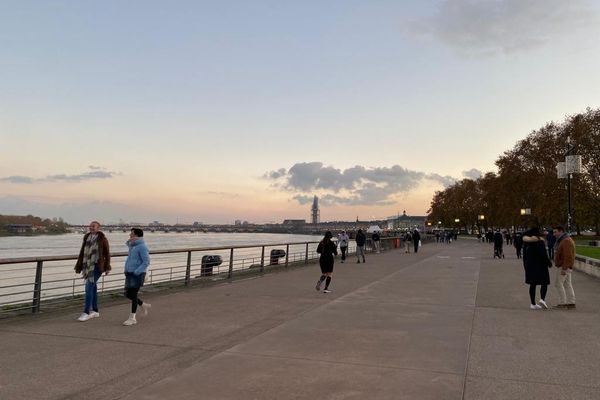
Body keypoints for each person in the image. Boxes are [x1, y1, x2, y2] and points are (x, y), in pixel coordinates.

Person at [74, 221, 111, 322]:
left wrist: (107, 267)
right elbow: (82, 252)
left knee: (88, 287)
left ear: (98, 228)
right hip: (87, 266)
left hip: (97, 267)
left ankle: (86, 312)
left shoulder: (102, 239)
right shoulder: (86, 238)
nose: (91, 228)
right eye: (90, 226)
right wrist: (79, 265)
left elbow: (107, 254)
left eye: (93, 226)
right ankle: (95, 311)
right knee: (93, 287)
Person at [123, 228, 151, 326]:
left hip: (137, 274)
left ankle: (132, 318)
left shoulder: (142, 247)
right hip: (129, 273)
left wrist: (137, 271)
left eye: (132, 234)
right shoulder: (132, 246)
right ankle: (143, 304)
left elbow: (146, 261)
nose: (130, 236)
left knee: (133, 294)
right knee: (127, 294)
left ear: (137, 236)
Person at [522, 227, 551, 309]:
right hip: (541, 265)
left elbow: (524, 256)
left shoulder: (526, 243)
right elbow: (543, 254)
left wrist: (525, 266)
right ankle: (542, 299)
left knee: (532, 284)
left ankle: (533, 303)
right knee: (544, 282)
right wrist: (549, 263)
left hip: (530, 266)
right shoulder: (540, 242)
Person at [553, 225, 576, 309]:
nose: (554, 234)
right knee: (567, 284)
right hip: (565, 266)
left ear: (561, 231)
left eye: (555, 232)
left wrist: (564, 268)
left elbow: (568, 256)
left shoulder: (566, 241)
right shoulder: (565, 240)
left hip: (563, 266)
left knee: (558, 284)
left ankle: (562, 303)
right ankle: (571, 303)